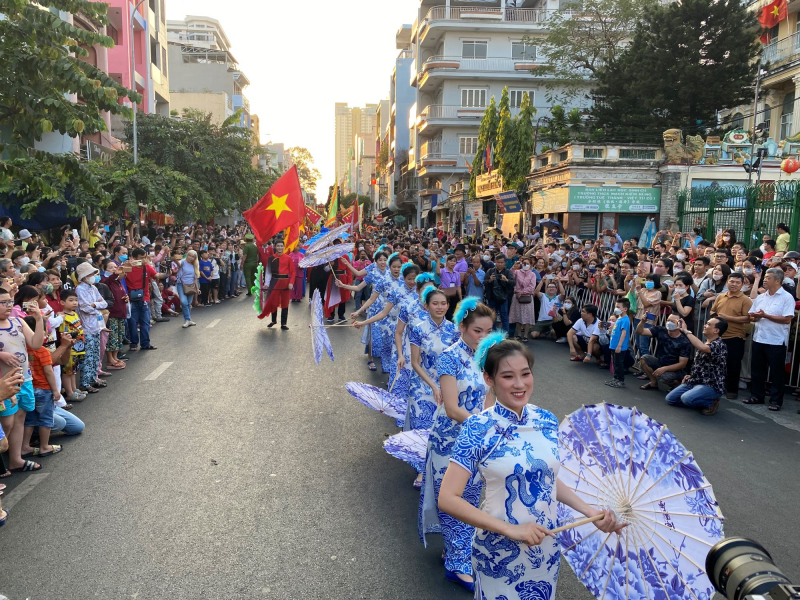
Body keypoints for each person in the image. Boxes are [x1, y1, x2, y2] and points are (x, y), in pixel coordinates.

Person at [439, 339, 622, 598]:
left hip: (546, 551)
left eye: (525, 374)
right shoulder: (478, 428)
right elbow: (447, 498)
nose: (519, 384)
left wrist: (589, 511)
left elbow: (546, 480)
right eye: (507, 376)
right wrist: (511, 529)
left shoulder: (546, 419)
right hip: (498, 553)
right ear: (488, 379)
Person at [418, 299, 494, 592]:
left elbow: (489, 400)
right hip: (448, 440)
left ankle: (455, 550)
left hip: (476, 439)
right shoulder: (449, 357)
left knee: (471, 498)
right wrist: (483, 426)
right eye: (477, 330)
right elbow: (451, 408)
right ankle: (457, 564)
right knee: (452, 499)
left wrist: (492, 424)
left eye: (488, 331)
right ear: (462, 326)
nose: (483, 337)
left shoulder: (487, 357)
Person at [406, 287, 459, 487]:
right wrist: (433, 387)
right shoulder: (418, 328)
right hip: (422, 385)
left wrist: (446, 387)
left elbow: (456, 361)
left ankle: (439, 467)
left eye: (443, 303)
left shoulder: (454, 330)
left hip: (446, 385)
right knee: (423, 426)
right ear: (426, 306)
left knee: (441, 428)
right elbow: (415, 362)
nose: (440, 307)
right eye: (435, 303)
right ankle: (421, 470)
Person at [0, 285, 45, 473]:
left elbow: (35, 343)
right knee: (7, 423)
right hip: (5, 382)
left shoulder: (18, 321)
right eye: (3, 303)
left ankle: (15, 459)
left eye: (9, 302)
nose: (8, 306)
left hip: (24, 378)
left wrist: (39, 319)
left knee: (20, 418)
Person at [744, 267, 796, 411]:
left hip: (776, 340)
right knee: (757, 370)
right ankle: (757, 395)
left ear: (777, 280)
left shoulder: (787, 297)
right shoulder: (761, 297)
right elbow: (751, 315)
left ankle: (776, 400)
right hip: (759, 337)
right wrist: (755, 316)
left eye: (768, 277)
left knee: (776, 372)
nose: (765, 280)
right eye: (765, 277)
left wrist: (765, 315)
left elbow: (787, 319)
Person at [666, 317, 728, 416]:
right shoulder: (706, 342)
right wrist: (691, 375)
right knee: (670, 399)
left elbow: (701, 347)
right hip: (696, 381)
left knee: (686, 398)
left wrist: (686, 331)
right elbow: (701, 365)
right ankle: (696, 398)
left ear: (716, 330)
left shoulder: (719, 344)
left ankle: (711, 403)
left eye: (708, 324)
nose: (705, 325)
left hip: (710, 385)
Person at [710, 271, 752, 399]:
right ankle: (716, 387)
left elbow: (748, 318)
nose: (734, 284)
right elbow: (713, 311)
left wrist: (728, 318)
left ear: (742, 284)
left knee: (733, 364)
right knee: (716, 363)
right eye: (731, 281)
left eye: (737, 282)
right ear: (727, 282)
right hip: (718, 336)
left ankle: (732, 390)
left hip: (735, 336)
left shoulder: (745, 300)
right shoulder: (721, 296)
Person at [635, 313, 692, 391]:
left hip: (676, 370)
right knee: (644, 359)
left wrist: (665, 369)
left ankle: (677, 385)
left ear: (680, 324)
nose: (669, 322)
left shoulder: (684, 342)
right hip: (661, 362)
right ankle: (653, 383)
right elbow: (640, 332)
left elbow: (682, 364)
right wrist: (642, 321)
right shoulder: (661, 330)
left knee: (664, 377)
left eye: (673, 321)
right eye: (668, 320)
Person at [125, 248, 162, 351]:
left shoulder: (147, 267)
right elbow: (118, 276)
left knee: (145, 322)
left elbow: (156, 276)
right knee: (132, 322)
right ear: (134, 258)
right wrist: (126, 266)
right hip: (131, 298)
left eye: (145, 257)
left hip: (144, 297)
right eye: (141, 258)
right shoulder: (127, 267)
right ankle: (133, 344)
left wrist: (165, 274)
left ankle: (145, 344)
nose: (144, 260)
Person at [257, 240, 296, 330]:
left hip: (285, 283)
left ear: (284, 247)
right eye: (278, 246)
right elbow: (268, 272)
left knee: (285, 303)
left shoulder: (288, 258)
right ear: (275, 247)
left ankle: (283, 323)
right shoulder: (271, 258)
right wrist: (266, 284)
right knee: (273, 302)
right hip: (274, 282)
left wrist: (291, 283)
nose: (280, 248)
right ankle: (273, 320)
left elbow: (293, 272)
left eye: (281, 246)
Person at [484, 253, 515, 332]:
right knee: (492, 317)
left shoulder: (508, 272)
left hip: (504, 297)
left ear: (505, 262)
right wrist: (490, 280)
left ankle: (505, 335)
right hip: (492, 297)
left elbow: (513, 283)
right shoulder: (490, 271)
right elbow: (484, 282)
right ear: (495, 262)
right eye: (498, 262)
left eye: (502, 262)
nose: (500, 264)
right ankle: (492, 333)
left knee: (504, 317)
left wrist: (506, 280)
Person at [509, 256, 537, 342]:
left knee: (527, 317)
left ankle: (525, 335)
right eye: (524, 263)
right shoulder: (517, 272)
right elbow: (510, 276)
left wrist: (522, 293)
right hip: (517, 297)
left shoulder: (532, 274)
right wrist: (514, 266)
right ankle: (518, 334)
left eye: (528, 263)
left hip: (527, 297)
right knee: (517, 316)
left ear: (531, 265)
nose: (526, 265)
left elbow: (532, 287)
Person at [605, 297, 631, 388]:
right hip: (614, 345)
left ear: (625, 309)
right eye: (616, 306)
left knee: (619, 364)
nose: (616, 308)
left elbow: (624, 333)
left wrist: (619, 346)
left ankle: (620, 380)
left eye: (618, 307)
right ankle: (615, 378)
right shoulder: (619, 318)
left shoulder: (625, 320)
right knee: (615, 363)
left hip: (619, 346)